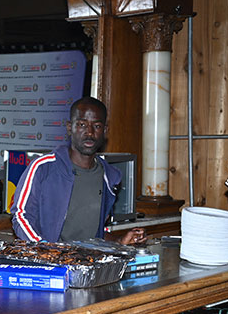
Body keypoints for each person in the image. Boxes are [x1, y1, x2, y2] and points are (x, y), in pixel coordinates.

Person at [11, 96, 146, 245]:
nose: (89, 133)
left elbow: (95, 236)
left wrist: (120, 241)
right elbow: (21, 216)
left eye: (97, 126)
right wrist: (45, 249)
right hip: (49, 257)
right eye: (82, 125)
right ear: (70, 127)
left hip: (89, 258)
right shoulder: (43, 168)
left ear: (105, 130)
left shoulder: (108, 177)